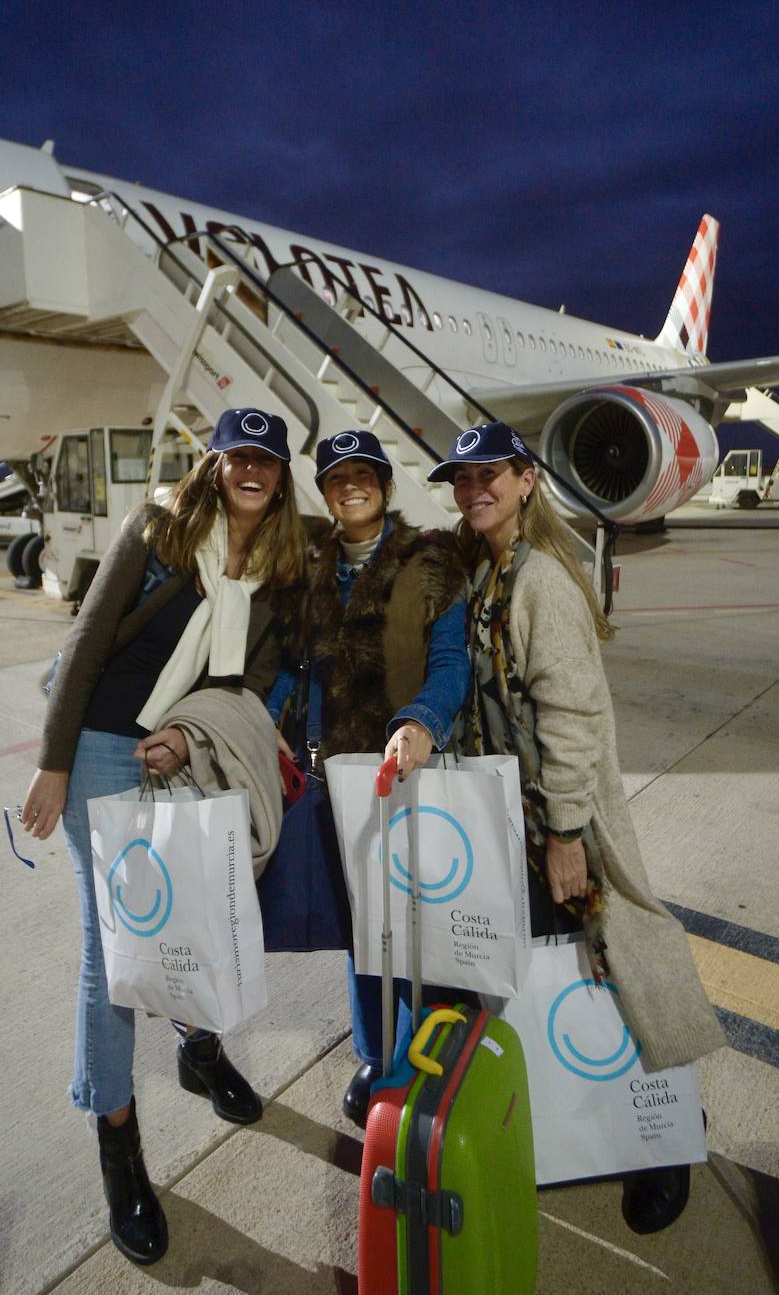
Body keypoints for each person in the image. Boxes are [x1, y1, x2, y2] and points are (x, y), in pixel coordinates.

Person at [20, 408, 306, 1265]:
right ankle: (121, 1152)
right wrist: (52, 762)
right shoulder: (160, 529)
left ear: (282, 476)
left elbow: (258, 678)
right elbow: (85, 644)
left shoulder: (279, 564)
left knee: (199, 922)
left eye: (268, 459)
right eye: (238, 455)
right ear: (214, 464)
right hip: (105, 750)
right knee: (110, 958)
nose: (252, 469)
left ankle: (197, 1047)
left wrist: (191, 739)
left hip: (184, 752)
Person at [428, 420, 726, 1235]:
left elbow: (572, 717)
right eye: (462, 478)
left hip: (561, 820)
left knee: (614, 967)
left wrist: (564, 836)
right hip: (512, 817)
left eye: (490, 474)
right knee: (565, 978)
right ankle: (593, 1120)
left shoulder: (541, 585)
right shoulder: (487, 568)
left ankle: (669, 1138)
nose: (474, 488)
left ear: (527, 480)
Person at [269, 429, 470, 1127]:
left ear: (384, 484)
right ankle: (377, 1050)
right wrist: (271, 726)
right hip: (340, 774)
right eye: (335, 478)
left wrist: (420, 720)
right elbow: (295, 668)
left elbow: (451, 663)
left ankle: (435, 1042)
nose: (350, 486)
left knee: (425, 914)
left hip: (413, 763)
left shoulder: (429, 560)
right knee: (364, 921)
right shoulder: (312, 567)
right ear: (323, 493)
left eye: (364, 474)